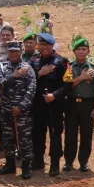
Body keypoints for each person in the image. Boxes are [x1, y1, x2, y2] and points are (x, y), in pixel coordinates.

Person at [0, 41, 36, 179]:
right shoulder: (1, 66)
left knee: (24, 140)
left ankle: (25, 168)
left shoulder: (28, 68)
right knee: (7, 139)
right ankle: (10, 165)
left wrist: (21, 107)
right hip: (6, 111)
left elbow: (31, 90)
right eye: (11, 51)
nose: (13, 54)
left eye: (16, 51)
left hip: (23, 112)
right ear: (7, 52)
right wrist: (14, 76)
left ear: (21, 52)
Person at [28, 33, 68, 176]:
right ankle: (38, 160)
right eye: (42, 44)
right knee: (37, 133)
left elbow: (68, 85)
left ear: (52, 46)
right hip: (38, 105)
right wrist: (40, 72)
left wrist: (54, 95)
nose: (44, 48)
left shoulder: (61, 61)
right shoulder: (33, 60)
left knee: (55, 134)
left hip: (54, 105)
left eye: (47, 45)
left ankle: (55, 164)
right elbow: (28, 80)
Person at [63, 38, 94, 173]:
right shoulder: (68, 67)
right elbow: (67, 87)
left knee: (86, 135)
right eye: (78, 49)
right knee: (70, 134)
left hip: (87, 105)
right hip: (71, 105)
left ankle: (83, 162)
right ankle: (68, 161)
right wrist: (81, 78)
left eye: (83, 49)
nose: (80, 52)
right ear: (74, 51)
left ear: (88, 51)